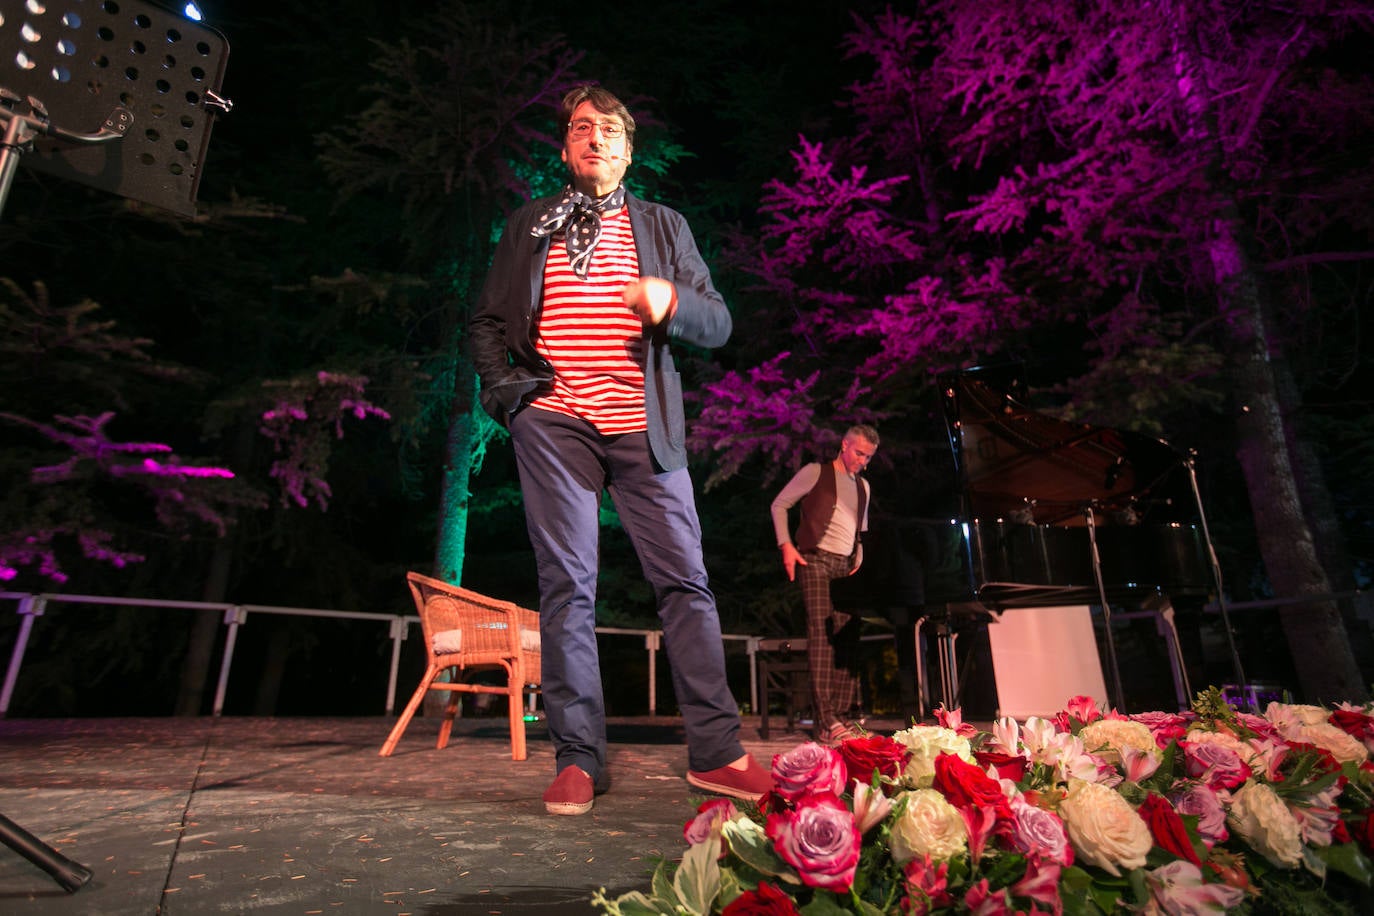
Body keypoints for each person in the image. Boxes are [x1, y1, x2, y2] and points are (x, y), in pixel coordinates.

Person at [468, 83, 772, 816]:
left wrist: (672, 302)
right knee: (567, 588)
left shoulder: (664, 225)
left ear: (628, 150)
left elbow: (720, 322)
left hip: (645, 424)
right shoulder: (529, 224)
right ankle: (577, 758)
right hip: (556, 423)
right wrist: (516, 399)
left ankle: (717, 752)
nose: (593, 138)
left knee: (686, 584)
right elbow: (486, 322)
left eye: (608, 129)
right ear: (566, 148)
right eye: (579, 128)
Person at [769, 425, 880, 745]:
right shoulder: (815, 472)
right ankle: (826, 719)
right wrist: (786, 545)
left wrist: (859, 559)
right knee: (821, 633)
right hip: (814, 560)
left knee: (847, 638)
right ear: (844, 445)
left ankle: (844, 716)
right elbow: (779, 505)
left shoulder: (864, 487)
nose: (863, 461)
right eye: (859, 453)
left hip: (846, 567)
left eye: (868, 457)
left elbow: (862, 531)